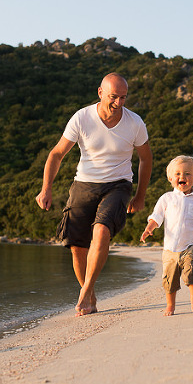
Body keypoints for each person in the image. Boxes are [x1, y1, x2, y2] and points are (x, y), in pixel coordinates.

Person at [36, 73, 153, 316]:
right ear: (100, 93)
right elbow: (56, 154)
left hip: (118, 185)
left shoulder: (135, 123)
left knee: (101, 230)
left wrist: (140, 196)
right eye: (113, 97)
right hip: (84, 184)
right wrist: (46, 188)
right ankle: (90, 294)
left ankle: (85, 291)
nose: (119, 103)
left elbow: (145, 158)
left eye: (123, 98)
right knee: (77, 246)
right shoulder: (82, 118)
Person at [140, 155, 193, 316]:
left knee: (192, 270)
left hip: (192, 245)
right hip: (170, 249)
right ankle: (170, 305)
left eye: (187, 174)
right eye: (177, 174)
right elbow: (157, 216)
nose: (182, 177)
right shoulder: (166, 198)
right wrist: (149, 228)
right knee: (169, 279)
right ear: (170, 178)